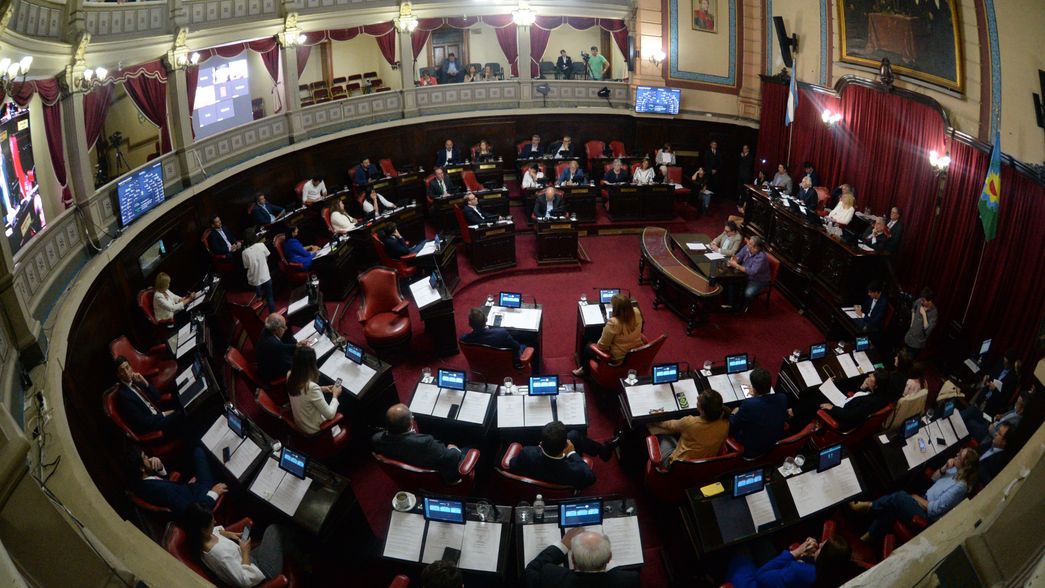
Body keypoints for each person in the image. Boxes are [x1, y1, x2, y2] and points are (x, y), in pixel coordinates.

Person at [850, 448, 978, 543]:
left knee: (899, 496)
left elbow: (934, 510)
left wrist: (916, 498)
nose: (956, 455)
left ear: (965, 466)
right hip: (924, 501)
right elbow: (933, 478)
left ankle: (870, 506)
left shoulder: (960, 488)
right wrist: (944, 468)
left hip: (927, 517)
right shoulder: (954, 469)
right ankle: (868, 536)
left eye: (959, 456)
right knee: (892, 507)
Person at [183, 503, 307, 587]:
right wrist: (246, 551)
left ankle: (298, 557)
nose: (215, 522)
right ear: (203, 529)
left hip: (246, 559)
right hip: (261, 574)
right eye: (212, 522)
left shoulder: (199, 538)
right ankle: (303, 556)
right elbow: (245, 581)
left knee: (281, 541)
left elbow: (217, 531)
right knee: (274, 530)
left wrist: (228, 534)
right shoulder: (220, 555)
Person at [372, 404, 467, 483]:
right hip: (440, 476)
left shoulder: (376, 439)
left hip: (408, 474)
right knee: (476, 446)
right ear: (411, 421)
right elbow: (450, 458)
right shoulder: (424, 443)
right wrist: (453, 448)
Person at [130, 446, 227, 518]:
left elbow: (163, 483)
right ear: (142, 468)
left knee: (199, 453)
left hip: (188, 490)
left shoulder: (141, 485)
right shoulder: (163, 490)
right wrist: (214, 493)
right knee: (199, 451)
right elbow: (195, 513)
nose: (148, 457)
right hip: (201, 497)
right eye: (145, 457)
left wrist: (160, 469)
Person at [725, 535, 855, 588]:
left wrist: (796, 552)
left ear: (825, 557)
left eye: (821, 547)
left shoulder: (798, 571)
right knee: (760, 540)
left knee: (739, 546)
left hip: (755, 583)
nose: (819, 544)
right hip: (781, 577)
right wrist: (806, 556)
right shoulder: (837, 573)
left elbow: (760, 576)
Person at [524, 528, 640, 587]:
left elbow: (531, 570)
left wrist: (563, 545)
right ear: (610, 557)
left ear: (573, 560)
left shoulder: (553, 576)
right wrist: (601, 556)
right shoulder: (629, 580)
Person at [509, 421, 609, 489]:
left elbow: (512, 464)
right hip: (563, 472)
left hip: (543, 471)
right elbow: (591, 478)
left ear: (541, 443)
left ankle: (602, 450)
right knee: (575, 435)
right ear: (566, 446)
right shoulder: (577, 471)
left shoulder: (526, 453)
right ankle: (604, 451)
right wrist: (572, 453)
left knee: (574, 435)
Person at [648, 389, 729, 466]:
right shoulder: (725, 424)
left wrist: (653, 418)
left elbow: (667, 425)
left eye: (699, 399)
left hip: (677, 466)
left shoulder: (690, 422)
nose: (697, 397)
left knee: (663, 432)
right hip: (704, 467)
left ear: (703, 411)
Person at [573, 294, 643, 377]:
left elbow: (601, 347)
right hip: (636, 352)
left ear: (616, 309)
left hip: (618, 359)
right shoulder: (636, 312)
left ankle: (584, 371)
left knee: (589, 346)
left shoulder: (613, 323)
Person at [113, 356, 184, 436]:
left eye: (127, 367)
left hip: (158, 415)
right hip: (152, 427)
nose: (126, 372)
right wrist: (164, 414)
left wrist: (145, 383)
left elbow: (157, 397)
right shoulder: (123, 396)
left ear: (131, 367)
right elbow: (143, 422)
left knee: (183, 401)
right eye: (122, 371)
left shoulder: (136, 381)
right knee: (183, 414)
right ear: (118, 375)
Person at [728, 367, 786, 458]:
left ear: (754, 388)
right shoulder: (782, 398)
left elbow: (733, 425)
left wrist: (732, 413)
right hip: (772, 444)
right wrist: (756, 396)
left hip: (751, 448)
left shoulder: (749, 404)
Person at [286, 347, 343, 434]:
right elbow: (330, 415)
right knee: (343, 406)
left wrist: (321, 389)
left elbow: (302, 392)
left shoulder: (290, 374)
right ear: (311, 365)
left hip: (302, 423)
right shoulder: (311, 388)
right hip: (316, 430)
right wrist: (335, 395)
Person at [817, 369, 890, 431]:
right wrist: (862, 387)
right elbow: (859, 398)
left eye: (872, 377)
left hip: (842, 418)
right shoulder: (879, 394)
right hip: (846, 406)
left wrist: (832, 407)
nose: (869, 375)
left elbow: (848, 415)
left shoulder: (870, 402)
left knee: (817, 399)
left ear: (876, 385)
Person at [460, 307, 528, 363]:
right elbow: (516, 347)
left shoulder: (464, 340)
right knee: (525, 344)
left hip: (482, 363)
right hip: (504, 363)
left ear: (469, 324)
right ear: (486, 320)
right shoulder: (502, 333)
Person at [257, 313, 308, 387]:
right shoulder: (275, 345)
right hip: (273, 375)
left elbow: (282, 348)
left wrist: (295, 346)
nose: (286, 328)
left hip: (266, 366)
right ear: (277, 329)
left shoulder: (266, 330)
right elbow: (289, 365)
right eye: (284, 326)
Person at [727, 235, 771, 310]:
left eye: (750, 243)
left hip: (758, 280)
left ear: (755, 248)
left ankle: (744, 306)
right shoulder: (747, 248)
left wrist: (736, 265)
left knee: (748, 293)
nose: (747, 244)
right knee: (731, 281)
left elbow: (752, 272)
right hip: (744, 274)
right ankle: (731, 304)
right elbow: (739, 256)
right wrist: (735, 260)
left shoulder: (761, 257)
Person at [971, 351, 1019, 417]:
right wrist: (987, 376)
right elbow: (991, 374)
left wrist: (995, 390)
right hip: (983, 395)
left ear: (1011, 364)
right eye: (1004, 361)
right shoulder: (1000, 364)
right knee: (971, 410)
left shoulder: (1013, 379)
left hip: (991, 405)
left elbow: (1005, 399)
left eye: (1006, 363)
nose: (1004, 364)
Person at [241, 228, 276, 313]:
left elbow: (246, 266)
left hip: (255, 278)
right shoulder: (261, 245)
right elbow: (267, 256)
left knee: (258, 290)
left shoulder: (244, 253)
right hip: (266, 276)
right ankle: (273, 315)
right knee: (270, 297)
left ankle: (259, 297)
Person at [903, 288, 937, 358]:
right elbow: (913, 309)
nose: (921, 302)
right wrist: (912, 323)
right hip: (908, 337)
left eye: (923, 300)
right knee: (902, 357)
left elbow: (927, 331)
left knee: (907, 362)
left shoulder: (934, 314)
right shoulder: (919, 301)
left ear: (930, 301)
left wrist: (924, 314)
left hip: (916, 344)